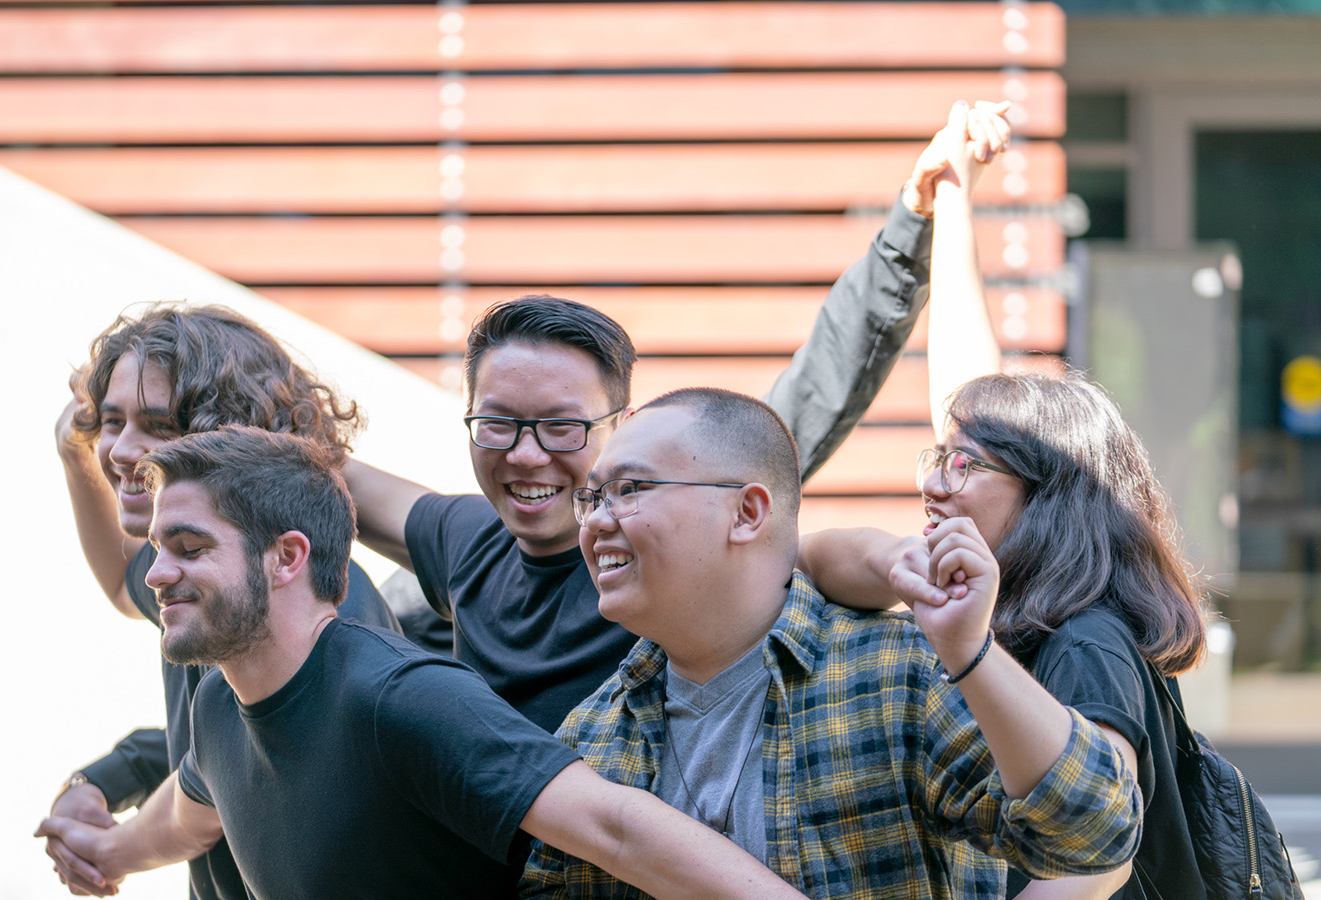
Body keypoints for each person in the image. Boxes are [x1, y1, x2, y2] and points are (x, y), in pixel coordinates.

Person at [345, 101, 1016, 731]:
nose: (526, 455)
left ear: (623, 428)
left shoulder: (670, 541)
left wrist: (914, 223)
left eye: (561, 427)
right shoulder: (468, 541)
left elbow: (815, 412)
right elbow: (325, 475)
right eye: (499, 424)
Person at [36, 426, 819, 900]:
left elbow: (616, 829)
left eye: (188, 547)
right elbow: (184, 817)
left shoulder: (399, 700)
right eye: (157, 549)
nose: (158, 573)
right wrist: (101, 847)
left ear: (286, 558)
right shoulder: (216, 709)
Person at [797, 106, 1211, 898]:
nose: (932, 482)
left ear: (1047, 497)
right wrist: (954, 199)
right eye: (937, 459)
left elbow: (1094, 858)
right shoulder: (1007, 603)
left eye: (964, 465)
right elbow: (809, 557)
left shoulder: (1086, 644)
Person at [520, 387, 1143, 898]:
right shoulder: (592, 734)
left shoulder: (895, 675)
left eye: (629, 490)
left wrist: (971, 652)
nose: (597, 520)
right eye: (592, 497)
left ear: (747, 513)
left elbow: (1093, 836)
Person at [45, 303, 400, 898]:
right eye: (112, 421)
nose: (122, 451)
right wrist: (71, 448)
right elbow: (118, 582)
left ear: (236, 439)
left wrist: (106, 850)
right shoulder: (188, 571)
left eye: (156, 426)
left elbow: (208, 793)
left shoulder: (308, 605)